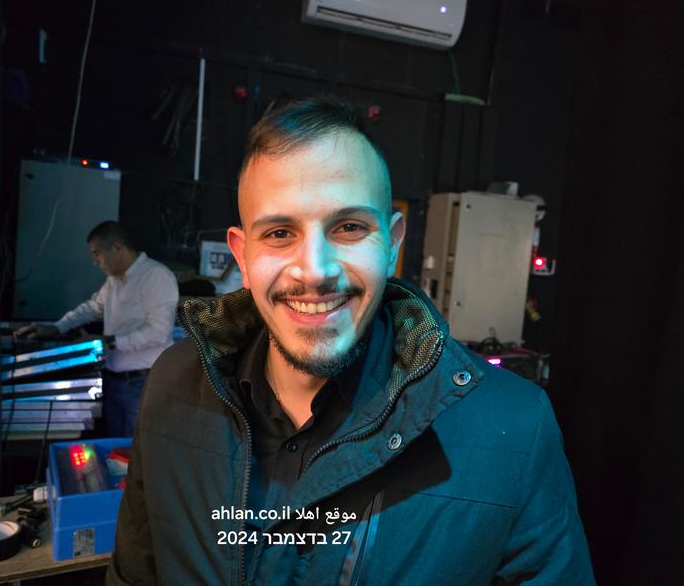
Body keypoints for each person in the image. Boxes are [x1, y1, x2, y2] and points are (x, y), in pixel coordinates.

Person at [106, 98, 594, 584]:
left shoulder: (514, 428)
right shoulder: (173, 384)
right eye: (279, 233)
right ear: (243, 255)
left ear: (392, 244)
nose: (315, 271)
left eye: (349, 227)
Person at [15, 221, 178, 437]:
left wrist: (107, 341)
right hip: (113, 380)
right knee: (113, 448)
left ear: (117, 248)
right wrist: (57, 327)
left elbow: (158, 332)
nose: (95, 261)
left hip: (143, 384)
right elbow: (93, 308)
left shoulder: (156, 276)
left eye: (97, 253)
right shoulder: (114, 280)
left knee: (135, 450)